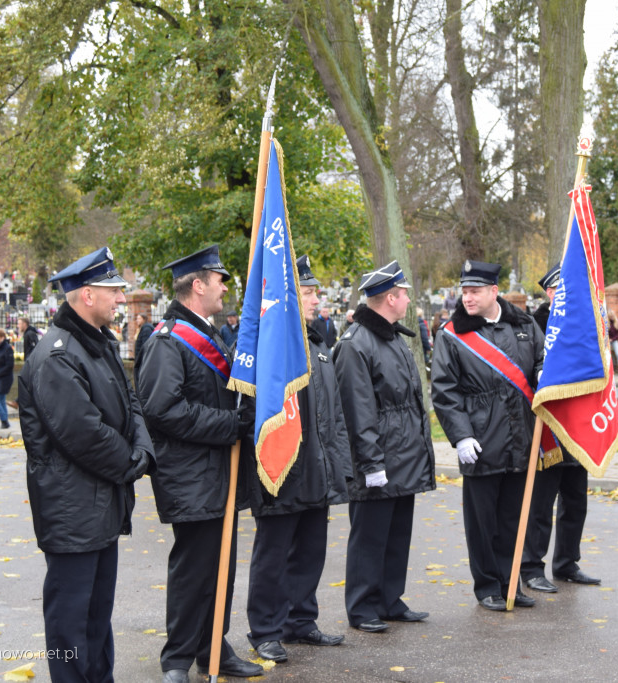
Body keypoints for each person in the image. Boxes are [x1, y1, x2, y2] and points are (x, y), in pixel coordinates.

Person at [18, 247, 155, 682]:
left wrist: (143, 448)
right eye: (114, 291)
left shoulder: (97, 344)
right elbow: (83, 433)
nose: (120, 299)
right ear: (87, 294)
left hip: (99, 505)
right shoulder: (57, 355)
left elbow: (131, 404)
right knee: (71, 625)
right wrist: (134, 462)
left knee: (97, 617)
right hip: (72, 509)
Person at [136, 245, 261, 683]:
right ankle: (176, 659)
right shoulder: (168, 340)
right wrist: (230, 424)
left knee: (219, 568)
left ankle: (214, 649)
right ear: (197, 284)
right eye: (219, 279)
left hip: (216, 471)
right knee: (194, 570)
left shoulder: (206, 334)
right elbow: (162, 409)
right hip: (189, 474)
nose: (225, 286)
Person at [245, 255, 353, 663]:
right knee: (273, 555)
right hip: (283, 466)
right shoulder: (272, 344)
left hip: (317, 466)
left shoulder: (319, 344)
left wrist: (339, 464)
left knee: (310, 551)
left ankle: (301, 620)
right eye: (306, 292)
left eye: (314, 291)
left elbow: (333, 413)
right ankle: (266, 630)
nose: (314, 299)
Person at [431, 260, 543, 612]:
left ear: (494, 292)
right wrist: (461, 436)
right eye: (464, 291)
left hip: (520, 437)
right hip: (480, 440)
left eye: (475, 291)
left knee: (513, 517)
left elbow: (542, 362)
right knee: (483, 523)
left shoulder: (523, 325)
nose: (467, 297)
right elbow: (444, 391)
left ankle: (511, 584)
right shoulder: (451, 334)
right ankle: (488, 587)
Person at [333, 260, 436, 632]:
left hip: (403, 454)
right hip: (378, 459)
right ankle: (362, 607)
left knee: (396, 534)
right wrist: (371, 463)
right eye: (404, 294)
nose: (408, 299)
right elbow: (358, 410)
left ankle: (390, 599)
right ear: (390, 297)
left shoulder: (393, 336)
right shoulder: (356, 343)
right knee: (370, 537)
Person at [520, 263, 599, 596]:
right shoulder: (534, 325)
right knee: (540, 504)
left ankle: (567, 562)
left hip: (576, 428)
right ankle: (531, 567)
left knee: (575, 502)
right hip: (547, 429)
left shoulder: (584, 327)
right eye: (560, 290)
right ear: (550, 293)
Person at [607, 308, 618, 373]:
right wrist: (608, 339)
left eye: (612, 316)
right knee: (609, 355)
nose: (612, 317)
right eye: (610, 316)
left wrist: (613, 339)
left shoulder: (617, 322)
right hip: (608, 341)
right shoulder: (607, 323)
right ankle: (611, 370)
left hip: (614, 340)